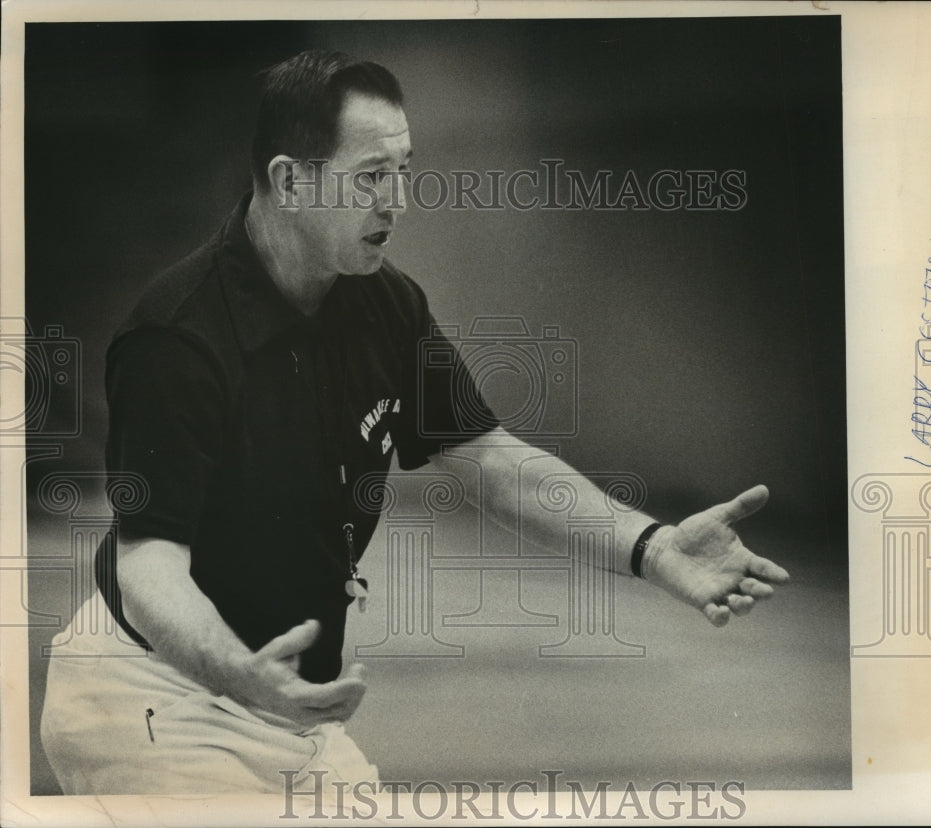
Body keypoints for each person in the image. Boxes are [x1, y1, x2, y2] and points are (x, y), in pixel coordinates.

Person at [39, 49, 790, 795]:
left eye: (404, 169)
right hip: (153, 699)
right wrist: (238, 672)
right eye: (371, 175)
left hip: (284, 707)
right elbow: (148, 567)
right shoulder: (177, 339)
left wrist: (652, 548)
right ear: (289, 181)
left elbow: (488, 458)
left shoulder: (386, 305)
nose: (397, 199)